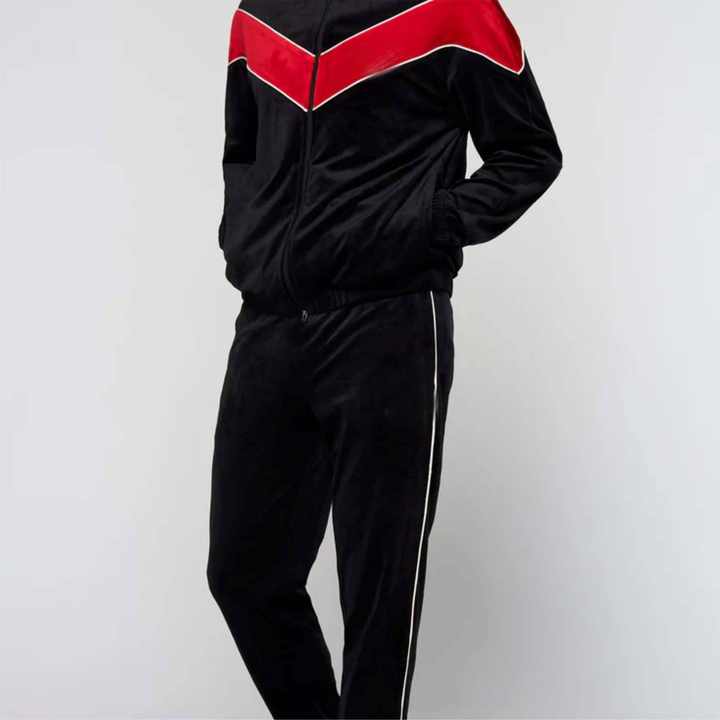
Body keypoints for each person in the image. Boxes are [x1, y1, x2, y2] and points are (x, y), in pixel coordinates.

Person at [206, 0, 562, 717]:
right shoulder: (258, 14)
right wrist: (247, 237)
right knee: (244, 575)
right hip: (269, 325)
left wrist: (427, 225)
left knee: (377, 606)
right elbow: (241, 151)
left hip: (388, 327)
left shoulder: (454, 9)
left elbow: (530, 152)